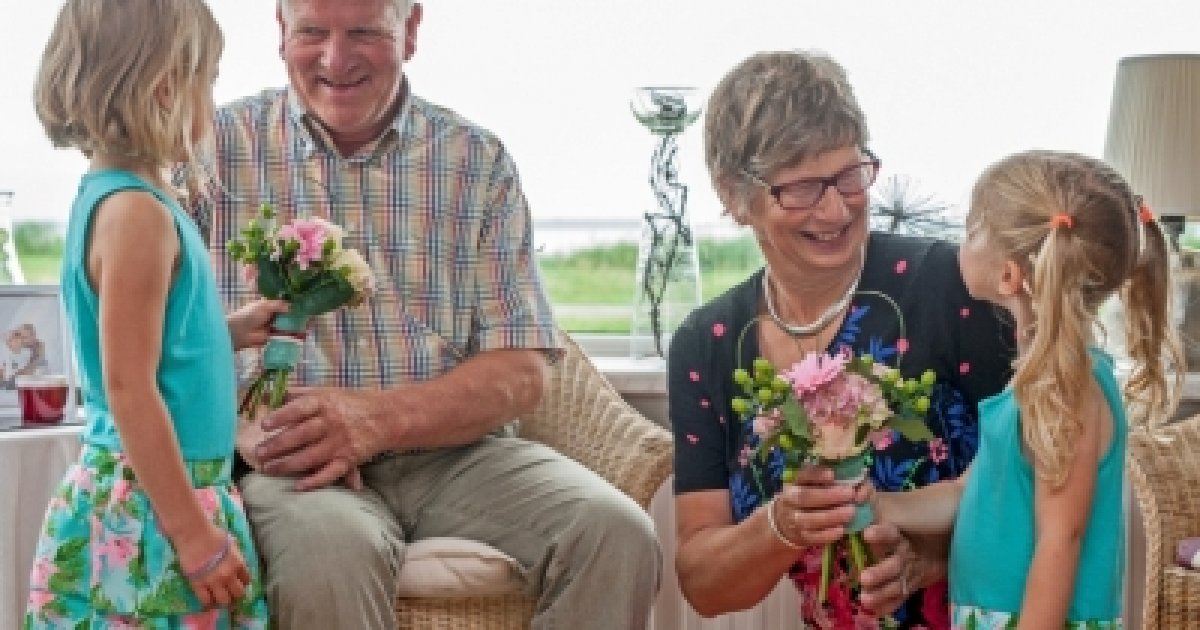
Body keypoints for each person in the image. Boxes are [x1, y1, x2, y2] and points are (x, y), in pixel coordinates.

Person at [186, 0, 661, 628]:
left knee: (618, 534)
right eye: (312, 32)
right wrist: (235, 429)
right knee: (329, 560)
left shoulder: (477, 161)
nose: (335, 59)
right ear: (280, 31)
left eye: (363, 32)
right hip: (294, 465)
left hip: (459, 457)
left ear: (410, 30)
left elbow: (523, 370)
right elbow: (148, 341)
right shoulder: (210, 152)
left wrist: (376, 421)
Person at [667, 50, 1014, 628]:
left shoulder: (950, 288)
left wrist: (931, 560)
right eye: (803, 188)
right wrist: (780, 526)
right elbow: (705, 586)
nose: (836, 208)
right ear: (733, 195)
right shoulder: (708, 343)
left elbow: (1047, 484)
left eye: (850, 175)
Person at [25, 0, 286, 627]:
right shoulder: (136, 214)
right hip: (157, 504)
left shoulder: (122, 199)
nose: (210, 103)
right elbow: (128, 387)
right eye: (207, 82)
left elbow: (140, 344)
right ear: (166, 87)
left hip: (162, 492)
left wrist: (226, 333)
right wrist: (192, 536)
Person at [877, 150, 1182, 627]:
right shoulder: (1038, 383)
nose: (961, 241)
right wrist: (878, 505)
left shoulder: (1068, 389)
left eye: (972, 228)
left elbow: (1061, 541)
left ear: (1009, 275)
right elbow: (964, 493)